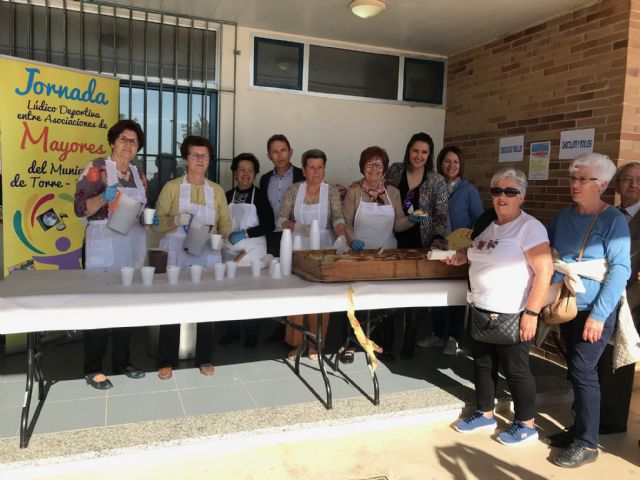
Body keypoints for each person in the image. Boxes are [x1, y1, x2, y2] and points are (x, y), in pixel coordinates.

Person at [446, 168, 552, 446]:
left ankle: (526, 424)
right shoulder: (488, 225)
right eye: (496, 191)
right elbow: (479, 254)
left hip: (513, 311)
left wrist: (531, 313)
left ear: (521, 196)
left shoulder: (530, 228)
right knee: (482, 364)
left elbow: (545, 271)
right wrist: (461, 258)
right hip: (482, 306)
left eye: (510, 191)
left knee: (516, 369)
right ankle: (484, 413)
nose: (502, 197)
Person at [546, 153, 630, 468]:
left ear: (603, 185)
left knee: (584, 372)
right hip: (566, 306)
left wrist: (597, 315)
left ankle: (587, 443)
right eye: (573, 178)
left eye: (584, 179)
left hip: (596, 310)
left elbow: (620, 271)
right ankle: (579, 428)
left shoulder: (613, 220)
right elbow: (550, 254)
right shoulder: (563, 217)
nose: (576, 184)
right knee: (575, 371)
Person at [74, 119, 148, 390]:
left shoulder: (139, 175)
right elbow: (80, 208)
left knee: (126, 304)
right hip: (103, 243)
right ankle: (92, 367)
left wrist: (146, 221)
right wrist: (105, 197)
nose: (129, 145)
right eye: (124, 139)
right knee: (98, 305)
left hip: (130, 245)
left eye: (134, 141)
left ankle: (122, 361)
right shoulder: (96, 168)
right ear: (113, 141)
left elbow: (139, 212)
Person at [154, 135, 232, 380]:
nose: (199, 160)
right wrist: (175, 220)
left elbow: (225, 223)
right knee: (172, 305)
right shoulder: (172, 187)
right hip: (177, 252)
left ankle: (205, 357)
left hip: (207, 254)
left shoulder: (216, 191)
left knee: (206, 305)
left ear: (209, 160)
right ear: (185, 159)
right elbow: (155, 223)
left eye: (204, 156)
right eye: (194, 155)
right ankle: (166, 359)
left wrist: (221, 236)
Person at [340, 146, 420, 362]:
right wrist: (352, 239)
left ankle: (383, 345)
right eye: (370, 164)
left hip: (387, 254)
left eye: (378, 164)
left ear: (384, 168)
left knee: (385, 304)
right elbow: (346, 222)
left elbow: (399, 224)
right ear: (362, 167)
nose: (374, 168)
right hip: (359, 254)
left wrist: (411, 221)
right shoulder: (354, 191)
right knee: (355, 302)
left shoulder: (392, 192)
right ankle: (350, 344)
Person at [277, 149, 347, 360]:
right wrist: (300, 227)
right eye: (312, 167)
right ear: (304, 169)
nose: (316, 172)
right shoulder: (293, 190)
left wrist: (342, 236)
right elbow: (279, 220)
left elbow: (337, 218)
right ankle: (298, 343)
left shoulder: (331, 191)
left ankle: (316, 342)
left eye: (320, 167)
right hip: (298, 248)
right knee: (299, 295)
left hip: (324, 249)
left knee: (321, 297)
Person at [384, 132, 449, 359]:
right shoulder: (395, 170)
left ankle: (409, 339)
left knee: (414, 292)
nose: (418, 156)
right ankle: (389, 341)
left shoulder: (436, 180)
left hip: (422, 241)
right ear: (408, 150)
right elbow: (382, 194)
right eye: (415, 150)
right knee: (392, 290)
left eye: (424, 152)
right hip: (393, 238)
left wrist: (437, 238)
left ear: (429, 155)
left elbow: (441, 214)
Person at [418, 146, 484, 355]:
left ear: (461, 165)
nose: (451, 165)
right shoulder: (432, 186)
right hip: (436, 248)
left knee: (456, 295)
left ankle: (454, 338)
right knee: (437, 292)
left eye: (456, 161)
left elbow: (480, 221)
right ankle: (437, 334)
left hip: (459, 251)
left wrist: (468, 241)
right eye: (447, 161)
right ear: (440, 163)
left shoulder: (468, 190)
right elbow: (411, 202)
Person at [597, 161, 640, 435]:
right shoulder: (607, 215)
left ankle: (611, 423)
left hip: (631, 301)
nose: (633, 185)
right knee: (598, 359)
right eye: (627, 179)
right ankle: (592, 416)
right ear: (616, 185)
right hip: (601, 297)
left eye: (638, 180)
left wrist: (628, 297)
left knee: (619, 362)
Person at [219, 153, 275, 348]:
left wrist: (245, 233)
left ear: (255, 174)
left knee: (252, 294)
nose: (246, 174)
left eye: (250, 171)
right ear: (235, 172)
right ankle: (231, 331)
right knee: (230, 293)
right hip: (230, 253)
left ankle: (251, 334)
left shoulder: (259, 196)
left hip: (253, 252)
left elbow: (269, 225)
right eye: (242, 170)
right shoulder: (226, 196)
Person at [259, 134, 304, 343]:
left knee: (295, 280)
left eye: (283, 150)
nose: (280, 155)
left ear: (291, 152)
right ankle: (280, 328)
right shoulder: (265, 179)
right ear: (269, 156)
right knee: (277, 281)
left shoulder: (302, 175)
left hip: (294, 235)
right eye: (275, 151)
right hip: (273, 236)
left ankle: (295, 332)